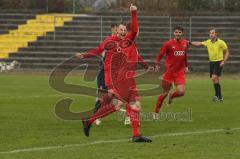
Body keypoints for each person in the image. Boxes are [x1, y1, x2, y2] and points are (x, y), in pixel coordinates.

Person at [76, 4, 152, 142]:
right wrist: (134, 13)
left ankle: (136, 135)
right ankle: (90, 120)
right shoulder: (124, 40)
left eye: (124, 30)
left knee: (134, 106)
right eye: (121, 30)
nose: (123, 32)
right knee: (120, 104)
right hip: (121, 78)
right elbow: (99, 49)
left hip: (128, 78)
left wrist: (146, 66)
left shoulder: (128, 43)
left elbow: (137, 55)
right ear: (118, 31)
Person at [154, 26, 189, 114]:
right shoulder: (168, 44)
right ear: (173, 33)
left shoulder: (185, 43)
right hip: (169, 72)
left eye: (179, 32)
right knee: (163, 94)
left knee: (181, 92)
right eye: (176, 32)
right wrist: (157, 64)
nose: (178, 34)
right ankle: (156, 111)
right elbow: (160, 54)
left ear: (182, 33)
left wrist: (186, 66)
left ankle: (171, 96)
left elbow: (184, 56)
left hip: (180, 72)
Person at [190, 27, 229, 102]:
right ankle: (220, 97)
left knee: (214, 78)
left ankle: (216, 96)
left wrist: (224, 61)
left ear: (216, 34)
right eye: (210, 33)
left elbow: (227, 52)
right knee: (215, 80)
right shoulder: (208, 42)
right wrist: (189, 42)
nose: (211, 34)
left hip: (219, 62)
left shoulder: (221, 42)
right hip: (212, 63)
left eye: (212, 33)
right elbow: (199, 43)